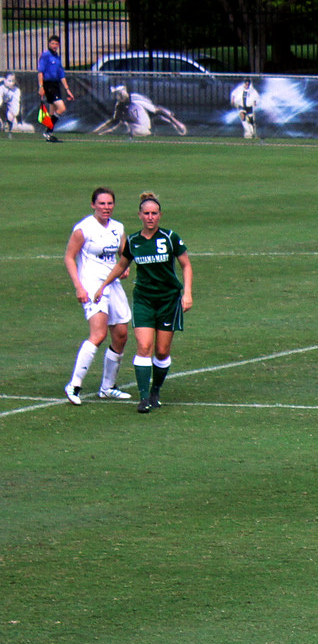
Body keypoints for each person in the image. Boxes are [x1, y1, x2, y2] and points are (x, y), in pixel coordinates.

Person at [94, 193, 191, 414]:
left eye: (154, 213)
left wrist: (188, 293)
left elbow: (186, 264)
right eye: (146, 213)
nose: (150, 217)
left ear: (160, 215)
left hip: (168, 300)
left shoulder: (170, 238)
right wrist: (103, 286)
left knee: (162, 351)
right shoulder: (134, 241)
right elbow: (121, 265)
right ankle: (144, 397)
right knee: (144, 346)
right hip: (144, 300)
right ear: (139, 215)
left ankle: (156, 390)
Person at [62, 187, 134, 404]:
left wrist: (125, 266)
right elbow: (69, 257)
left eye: (110, 203)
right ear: (93, 205)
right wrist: (79, 287)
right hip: (93, 286)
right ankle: (74, 385)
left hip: (112, 284)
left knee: (121, 335)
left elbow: (123, 253)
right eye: (102, 204)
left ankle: (108, 386)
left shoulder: (118, 227)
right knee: (99, 333)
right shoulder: (84, 229)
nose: (106, 208)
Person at [93, 86, 188, 137]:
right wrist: (99, 132)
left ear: (122, 93)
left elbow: (157, 110)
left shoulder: (136, 99)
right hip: (136, 128)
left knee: (125, 127)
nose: (116, 97)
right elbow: (115, 121)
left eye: (117, 94)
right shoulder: (120, 106)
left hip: (145, 127)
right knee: (124, 126)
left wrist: (176, 123)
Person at [38, 35, 71, 142]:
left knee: (52, 111)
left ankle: (49, 134)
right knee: (62, 108)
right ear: (49, 44)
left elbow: (61, 74)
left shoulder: (57, 57)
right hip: (48, 85)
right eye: (52, 43)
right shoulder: (45, 56)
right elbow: (40, 72)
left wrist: (67, 89)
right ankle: (47, 131)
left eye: (56, 44)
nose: (54, 46)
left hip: (56, 85)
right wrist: (41, 86)